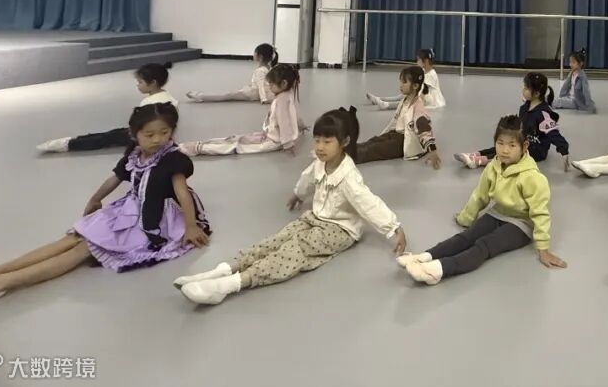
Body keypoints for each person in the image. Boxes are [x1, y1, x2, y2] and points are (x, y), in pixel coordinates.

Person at [0, 103, 210, 303]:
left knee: (82, 250)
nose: (158, 140)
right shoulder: (134, 155)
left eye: (165, 133)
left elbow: (183, 193)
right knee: (70, 239)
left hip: (157, 219)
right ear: (135, 135)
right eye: (150, 134)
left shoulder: (172, 159)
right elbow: (115, 178)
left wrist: (190, 226)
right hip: (130, 209)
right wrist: (95, 199)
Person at [174, 107, 407, 305]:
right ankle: (226, 268)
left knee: (296, 249)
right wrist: (298, 194)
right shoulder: (321, 163)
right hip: (315, 217)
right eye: (317, 140)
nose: (320, 147)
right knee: (277, 239)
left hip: (339, 229)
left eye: (327, 141)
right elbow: (307, 178)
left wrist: (393, 228)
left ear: (344, 142)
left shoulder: (349, 177)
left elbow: (369, 203)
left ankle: (234, 283)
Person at [398, 114, 566, 285]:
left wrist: (543, 249)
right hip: (497, 213)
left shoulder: (533, 178)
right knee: (466, 237)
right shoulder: (494, 166)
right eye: (500, 143)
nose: (505, 150)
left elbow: (540, 214)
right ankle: (424, 257)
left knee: (484, 245)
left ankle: (438, 270)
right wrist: (465, 218)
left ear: (525, 146)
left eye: (512, 145)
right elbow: (480, 195)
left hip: (521, 224)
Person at [36, 63, 179, 153]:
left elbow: (141, 125)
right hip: (147, 133)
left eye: (140, 82)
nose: (138, 85)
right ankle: (74, 140)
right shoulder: (169, 98)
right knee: (110, 134)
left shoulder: (150, 103)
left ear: (152, 83)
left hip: (143, 135)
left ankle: (68, 144)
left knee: (106, 138)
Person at [178, 64, 306, 156]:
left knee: (236, 146)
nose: (270, 87)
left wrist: (288, 144)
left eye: (272, 84)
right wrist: (300, 125)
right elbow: (293, 115)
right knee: (237, 139)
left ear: (283, 84)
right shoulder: (287, 95)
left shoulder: (282, 100)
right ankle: (200, 144)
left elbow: (284, 121)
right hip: (268, 136)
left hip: (273, 141)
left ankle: (198, 148)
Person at [453, 72, 569, 170]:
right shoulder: (524, 108)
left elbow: (554, 134)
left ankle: (478, 161)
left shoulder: (544, 114)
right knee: (501, 147)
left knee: (509, 154)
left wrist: (564, 151)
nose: (523, 90)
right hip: (522, 142)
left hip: (536, 150)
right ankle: (474, 154)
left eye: (527, 88)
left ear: (537, 93)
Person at [355, 66, 441, 168]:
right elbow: (395, 121)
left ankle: (348, 156)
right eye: (400, 82)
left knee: (374, 149)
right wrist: (384, 134)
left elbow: (423, 126)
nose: (401, 85)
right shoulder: (404, 101)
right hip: (395, 134)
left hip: (403, 142)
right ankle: (348, 150)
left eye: (404, 82)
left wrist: (431, 149)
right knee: (373, 141)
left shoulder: (418, 106)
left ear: (415, 86)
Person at [186, 43, 277, 104]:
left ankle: (201, 96)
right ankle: (201, 96)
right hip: (253, 91)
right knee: (228, 94)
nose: (253, 54)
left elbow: (261, 85)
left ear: (260, 56)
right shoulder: (268, 68)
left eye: (255, 53)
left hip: (252, 93)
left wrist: (264, 99)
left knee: (227, 95)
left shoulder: (261, 70)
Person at [366, 48, 446, 110]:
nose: (417, 62)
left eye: (418, 60)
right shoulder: (423, 71)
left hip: (430, 98)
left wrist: (414, 98)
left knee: (408, 99)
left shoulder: (431, 75)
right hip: (423, 93)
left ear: (425, 61)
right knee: (404, 95)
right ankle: (380, 99)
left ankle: (387, 105)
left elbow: (424, 91)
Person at [553, 48, 596, 113]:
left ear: (580, 64)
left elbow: (586, 90)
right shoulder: (571, 73)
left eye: (573, 62)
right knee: (557, 100)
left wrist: (589, 104)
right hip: (569, 97)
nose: (570, 64)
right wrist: (562, 96)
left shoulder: (582, 77)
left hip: (576, 101)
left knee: (558, 102)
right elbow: (566, 86)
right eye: (570, 62)